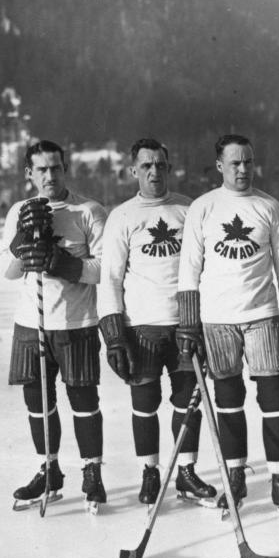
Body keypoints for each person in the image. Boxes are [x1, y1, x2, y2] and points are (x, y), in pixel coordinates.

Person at [176, 134, 279, 518]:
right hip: (217, 320)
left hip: (262, 316)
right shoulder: (203, 208)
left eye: (248, 162)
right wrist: (189, 324)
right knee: (228, 401)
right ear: (219, 165)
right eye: (234, 163)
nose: (243, 169)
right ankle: (235, 477)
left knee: (274, 400)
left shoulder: (269, 207)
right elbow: (189, 269)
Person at [97, 138, 216, 506]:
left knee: (187, 403)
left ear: (169, 168)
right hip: (141, 328)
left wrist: (203, 323)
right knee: (144, 403)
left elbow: (206, 270)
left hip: (184, 325)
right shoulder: (122, 216)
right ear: (134, 170)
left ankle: (186, 472)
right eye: (146, 166)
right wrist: (114, 336)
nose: (154, 172)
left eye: (160, 165)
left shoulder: (189, 210)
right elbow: (111, 279)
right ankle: (150, 472)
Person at [0, 140, 108, 510]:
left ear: (65, 169)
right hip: (32, 323)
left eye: (55, 168)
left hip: (76, 322)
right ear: (29, 173)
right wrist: (21, 243)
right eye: (41, 169)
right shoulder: (19, 211)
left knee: (84, 400)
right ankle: (50, 470)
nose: (49, 175)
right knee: (37, 403)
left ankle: (92, 472)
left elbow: (105, 269)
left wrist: (61, 262)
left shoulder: (87, 211)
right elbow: (6, 271)